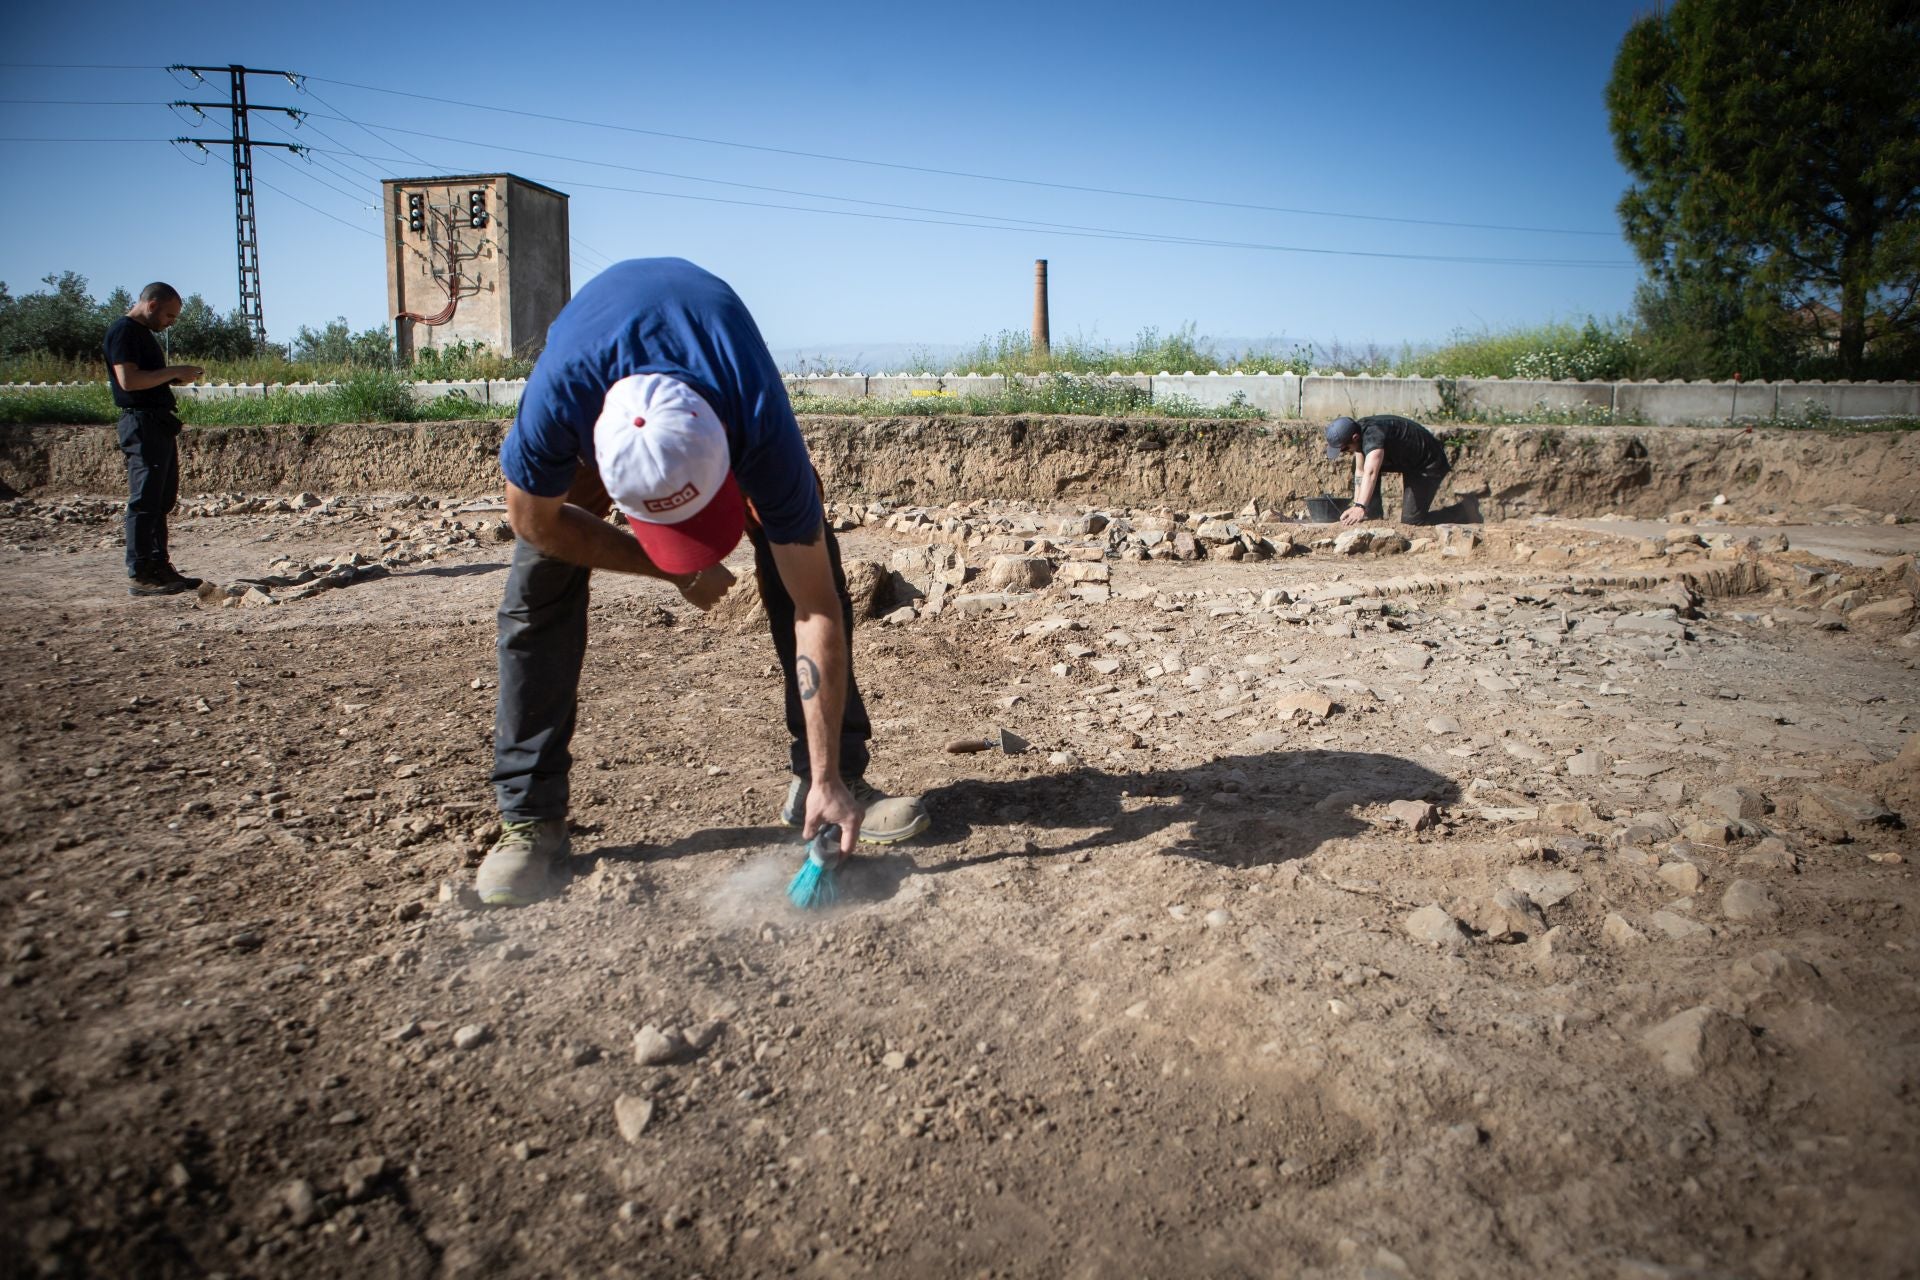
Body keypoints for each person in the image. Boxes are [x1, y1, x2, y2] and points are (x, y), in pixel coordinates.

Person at [476, 257, 928, 907]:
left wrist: (828, 773)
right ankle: (529, 819)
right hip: (596, 397)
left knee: (805, 560)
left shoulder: (755, 420)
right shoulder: (559, 405)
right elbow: (534, 521)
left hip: (717, 383)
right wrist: (667, 565)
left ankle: (831, 782)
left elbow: (816, 608)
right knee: (538, 584)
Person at [104, 283, 204, 596]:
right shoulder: (125, 332)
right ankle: (141, 572)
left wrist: (173, 377)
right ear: (152, 305)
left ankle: (159, 566)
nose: (170, 322)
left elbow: (144, 378)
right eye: (169, 315)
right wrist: (173, 370)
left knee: (160, 499)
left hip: (155, 423)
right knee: (145, 499)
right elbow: (129, 381)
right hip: (142, 423)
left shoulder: (141, 334)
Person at [1324, 414, 1478, 526]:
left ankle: (1464, 510)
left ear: (1355, 437)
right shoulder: (1358, 432)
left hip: (1427, 462)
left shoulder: (1373, 436)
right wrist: (1357, 506)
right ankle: (1372, 514)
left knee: (1412, 521)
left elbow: (1371, 473)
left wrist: (1360, 507)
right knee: (1365, 466)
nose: (1345, 452)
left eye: (1344, 449)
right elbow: (1360, 471)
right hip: (1406, 459)